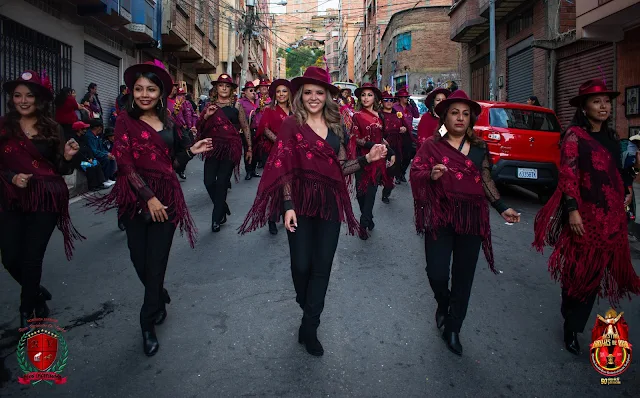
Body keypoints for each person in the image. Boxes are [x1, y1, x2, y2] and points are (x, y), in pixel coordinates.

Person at [239, 66, 387, 356]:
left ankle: (310, 326)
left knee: (322, 267)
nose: (314, 97)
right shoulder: (291, 124)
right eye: (308, 92)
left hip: (331, 202)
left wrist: (367, 159)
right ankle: (306, 308)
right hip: (300, 203)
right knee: (301, 267)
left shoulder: (337, 127)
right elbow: (282, 166)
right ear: (300, 96)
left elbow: (342, 167)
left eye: (320, 92)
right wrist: (288, 205)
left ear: (329, 96)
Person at [88, 60, 212, 356]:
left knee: (156, 264)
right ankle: (159, 294)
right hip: (135, 199)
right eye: (139, 89)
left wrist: (190, 153)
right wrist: (147, 197)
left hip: (168, 198)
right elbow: (126, 164)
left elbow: (171, 165)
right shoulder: (123, 121)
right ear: (132, 91)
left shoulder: (170, 122)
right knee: (139, 260)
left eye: (151, 89)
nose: (144, 94)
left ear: (160, 94)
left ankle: (147, 323)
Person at [533, 79, 640, 355]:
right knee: (578, 271)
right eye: (596, 101)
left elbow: (619, 173)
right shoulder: (574, 136)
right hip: (584, 215)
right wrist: (573, 211)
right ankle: (570, 319)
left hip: (612, 216)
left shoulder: (614, 138)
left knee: (593, 274)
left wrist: (628, 190)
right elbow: (569, 175)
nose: (603, 106)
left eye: (606, 101)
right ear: (584, 106)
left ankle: (574, 324)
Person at [410, 90, 521, 356]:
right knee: (436, 272)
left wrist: (501, 207)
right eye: (454, 112)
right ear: (444, 117)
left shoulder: (480, 147)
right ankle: (443, 302)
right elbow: (415, 173)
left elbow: (485, 180)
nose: (460, 118)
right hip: (439, 215)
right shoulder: (431, 146)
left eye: (465, 113)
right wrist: (432, 175)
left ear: (471, 118)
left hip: (471, 219)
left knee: (464, 276)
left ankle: (453, 327)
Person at [0, 70, 83, 330]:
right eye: (17, 95)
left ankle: (29, 309)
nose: (23, 101)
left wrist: (68, 156)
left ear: (39, 100)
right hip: (11, 197)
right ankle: (35, 291)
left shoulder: (51, 127)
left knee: (32, 257)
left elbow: (60, 168)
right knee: (10, 257)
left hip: (46, 197)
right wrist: (12, 177)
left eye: (29, 96)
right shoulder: (3, 127)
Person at [196, 74, 252, 233]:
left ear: (232, 89)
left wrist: (249, 148)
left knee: (221, 183)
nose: (224, 88)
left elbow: (245, 127)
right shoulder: (209, 106)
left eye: (227, 86)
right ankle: (222, 206)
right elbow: (199, 125)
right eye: (221, 86)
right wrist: (207, 116)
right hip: (212, 147)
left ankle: (216, 218)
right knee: (208, 182)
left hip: (230, 148)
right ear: (216, 88)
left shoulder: (236, 106)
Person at [349, 83, 394, 240]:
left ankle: (363, 223)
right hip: (362, 159)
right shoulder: (357, 116)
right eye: (363, 95)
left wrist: (391, 153)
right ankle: (369, 217)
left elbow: (382, 138)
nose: (366, 98)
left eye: (369, 95)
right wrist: (371, 145)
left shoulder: (380, 116)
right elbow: (355, 138)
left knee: (371, 193)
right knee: (361, 193)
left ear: (374, 97)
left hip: (378, 161)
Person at [255, 79, 292, 234]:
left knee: (290, 185)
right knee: (277, 185)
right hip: (276, 151)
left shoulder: (296, 110)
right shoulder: (269, 110)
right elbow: (264, 129)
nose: (281, 94)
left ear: (289, 93)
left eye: (284, 91)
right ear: (274, 94)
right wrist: (279, 141)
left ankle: (288, 213)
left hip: (294, 152)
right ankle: (272, 218)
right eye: (278, 91)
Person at [71, 121, 111, 191]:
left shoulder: (84, 138)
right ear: (79, 130)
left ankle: (100, 183)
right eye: (83, 129)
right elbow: (78, 153)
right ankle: (93, 186)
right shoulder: (73, 140)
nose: (85, 130)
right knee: (91, 167)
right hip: (79, 161)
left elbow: (89, 149)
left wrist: (91, 158)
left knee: (97, 164)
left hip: (88, 158)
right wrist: (87, 160)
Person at [379, 91, 404, 203]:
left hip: (397, 146)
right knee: (383, 171)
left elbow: (405, 125)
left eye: (391, 100)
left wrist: (404, 128)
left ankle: (387, 191)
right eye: (386, 100)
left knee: (392, 170)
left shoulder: (398, 114)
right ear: (382, 102)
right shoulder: (379, 115)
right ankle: (384, 188)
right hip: (384, 147)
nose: (389, 102)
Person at [168, 86, 196, 180]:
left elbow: (189, 114)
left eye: (183, 95)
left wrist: (189, 125)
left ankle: (180, 168)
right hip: (169, 129)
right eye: (180, 95)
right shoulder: (163, 100)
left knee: (189, 149)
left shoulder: (185, 103)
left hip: (183, 130)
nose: (181, 96)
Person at [393, 87, 420, 182]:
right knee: (398, 156)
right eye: (404, 97)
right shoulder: (395, 107)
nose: (406, 99)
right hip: (398, 133)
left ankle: (402, 172)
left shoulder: (410, 107)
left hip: (409, 133)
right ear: (400, 98)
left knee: (408, 155)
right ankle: (397, 175)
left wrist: (414, 106)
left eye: (407, 97)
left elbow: (416, 116)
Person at [416, 88, 451, 153]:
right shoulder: (426, 118)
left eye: (443, 100)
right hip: (430, 154)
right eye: (438, 100)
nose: (441, 102)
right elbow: (422, 141)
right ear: (433, 102)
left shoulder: (449, 118)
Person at [238, 81, 260, 180]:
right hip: (247, 129)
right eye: (251, 90)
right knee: (248, 149)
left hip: (258, 129)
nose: (253, 92)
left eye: (254, 90)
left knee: (257, 151)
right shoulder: (241, 102)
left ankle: (254, 170)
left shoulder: (259, 101)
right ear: (245, 92)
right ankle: (248, 171)